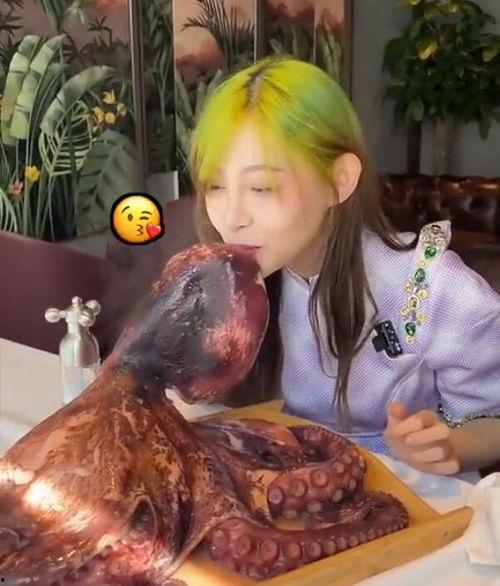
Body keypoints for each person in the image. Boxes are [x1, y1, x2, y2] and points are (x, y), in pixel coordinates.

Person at [187, 55, 500, 477]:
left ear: (339, 181)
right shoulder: (229, 284)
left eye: (260, 187)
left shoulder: (431, 285)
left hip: (410, 491)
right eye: (216, 185)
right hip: (282, 485)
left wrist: (448, 446)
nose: (231, 217)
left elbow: (491, 419)